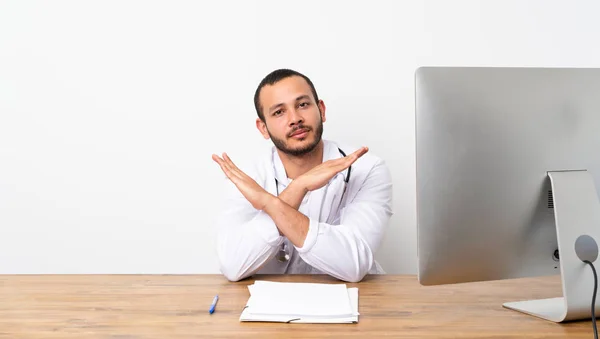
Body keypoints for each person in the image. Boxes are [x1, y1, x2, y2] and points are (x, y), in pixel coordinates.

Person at [212, 69, 393, 282]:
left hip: (353, 302)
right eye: (279, 112)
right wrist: (299, 188)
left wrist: (269, 203)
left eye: (303, 105)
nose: (295, 119)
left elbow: (353, 265)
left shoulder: (367, 169)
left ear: (322, 110)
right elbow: (234, 266)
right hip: (267, 306)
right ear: (263, 128)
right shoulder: (246, 178)